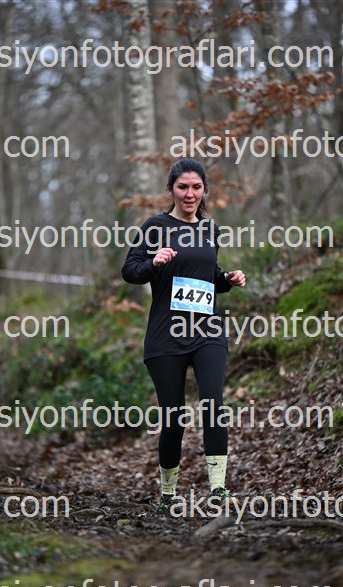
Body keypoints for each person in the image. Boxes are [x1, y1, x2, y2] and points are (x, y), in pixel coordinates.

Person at [121, 158, 246, 512]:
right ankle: (168, 494)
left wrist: (227, 279)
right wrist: (153, 262)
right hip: (166, 335)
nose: (190, 194)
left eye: (196, 187)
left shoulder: (210, 229)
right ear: (171, 189)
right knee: (174, 418)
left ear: (204, 190)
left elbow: (209, 276)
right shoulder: (155, 227)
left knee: (213, 404)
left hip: (207, 330)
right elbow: (129, 271)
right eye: (183, 187)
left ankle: (218, 489)